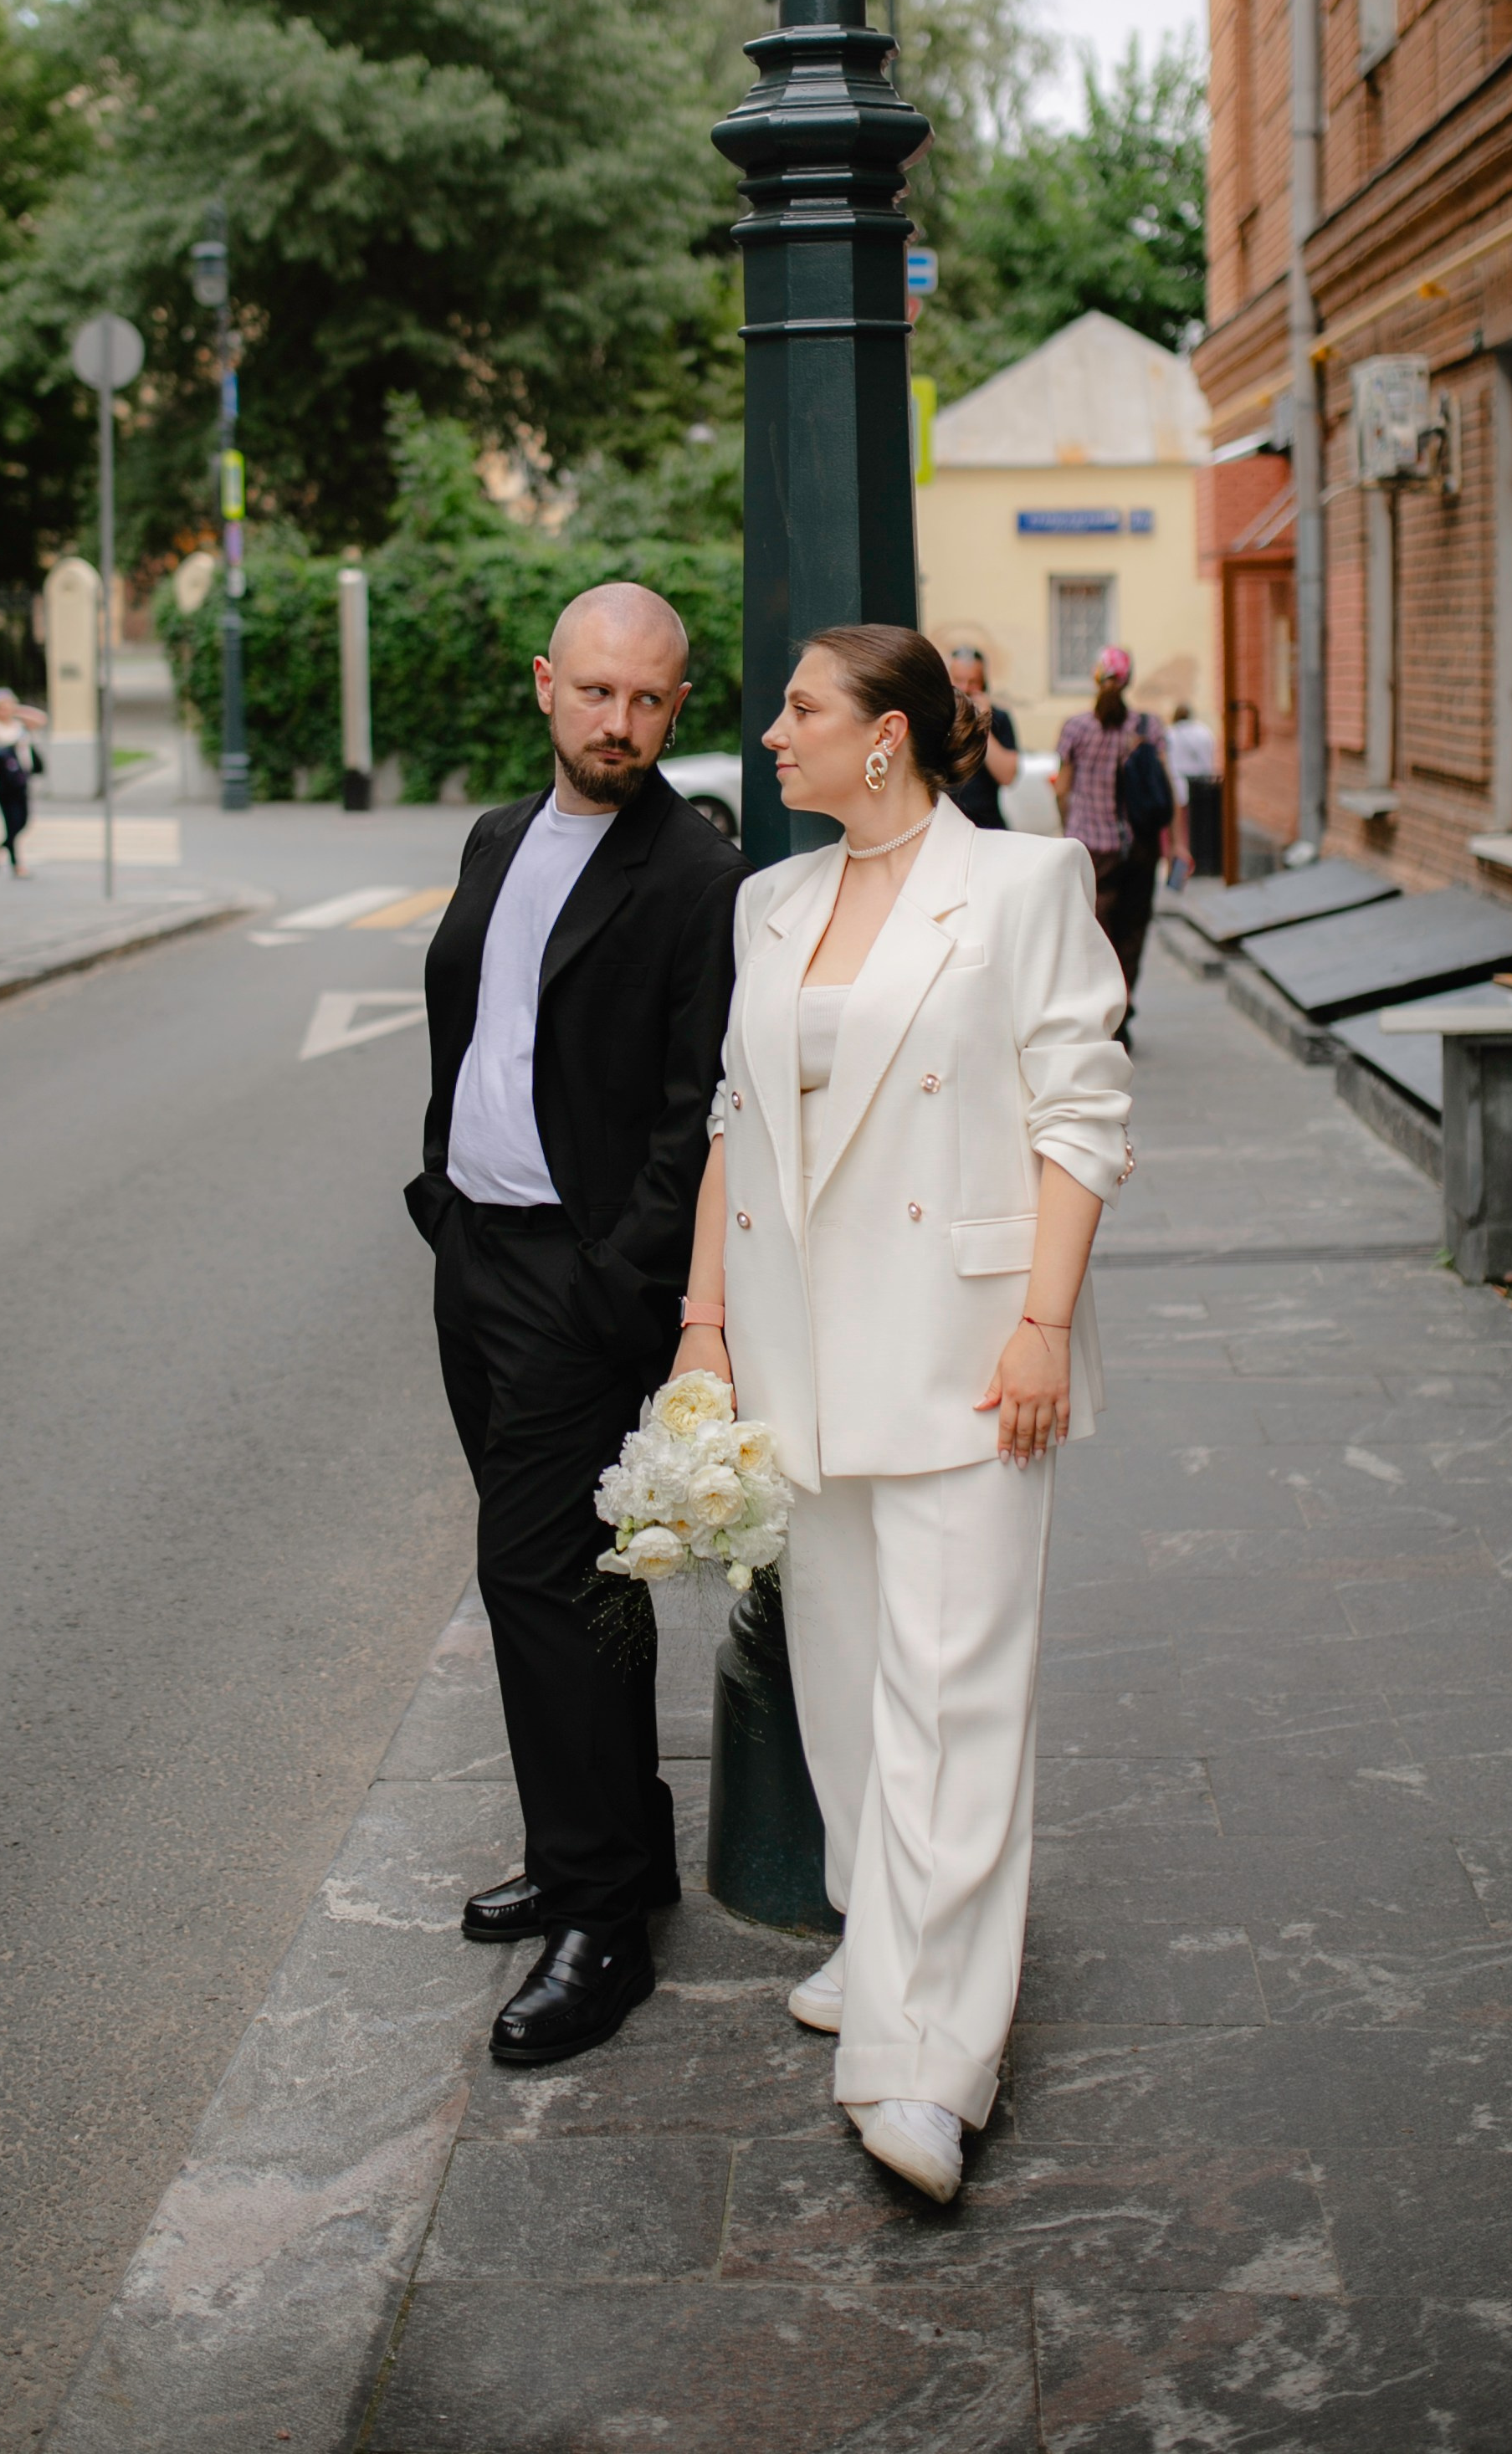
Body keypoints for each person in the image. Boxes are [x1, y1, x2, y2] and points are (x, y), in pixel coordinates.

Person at [674, 625, 1130, 2203]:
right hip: (803, 1361)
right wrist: (703, 1333)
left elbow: (1082, 1115)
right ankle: (887, 1943)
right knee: (848, 1694)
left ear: (886, 738)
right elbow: (738, 1118)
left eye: (798, 708)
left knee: (954, 1703)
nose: (771, 730)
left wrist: (1041, 1330)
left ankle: (930, 2065)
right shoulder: (769, 899)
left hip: (965, 1353)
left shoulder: (1015, 889)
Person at [407, 583, 748, 2068]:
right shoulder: (495, 838)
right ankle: (603, 1847)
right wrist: (441, 1196)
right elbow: (476, 1026)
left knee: (536, 1577)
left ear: (677, 710)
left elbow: (694, 1114)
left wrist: (615, 1285)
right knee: (576, 1585)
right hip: (472, 1255)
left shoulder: (691, 872)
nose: (619, 724)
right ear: (546, 686)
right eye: (596, 693)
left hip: (573, 1283)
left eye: (649, 702)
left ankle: (601, 1924)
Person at [1054, 648, 1170, 1034]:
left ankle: (1101, 1012)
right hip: (1138, 847)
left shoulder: (1076, 729)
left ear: (1095, 678)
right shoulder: (1147, 728)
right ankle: (1125, 1005)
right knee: (1132, 931)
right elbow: (1167, 787)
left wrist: (1067, 829)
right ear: (1129, 680)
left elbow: (1063, 789)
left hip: (1090, 848)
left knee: (1095, 933)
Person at [945, 645, 1020, 830]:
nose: (965, 688)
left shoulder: (999, 718)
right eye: (959, 680)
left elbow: (1007, 776)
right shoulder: (939, 717)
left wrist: (983, 724)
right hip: (947, 823)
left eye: (973, 682)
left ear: (984, 684)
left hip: (987, 824)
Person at [0, 686, 46, 875]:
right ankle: (17, 865)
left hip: (22, 780)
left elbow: (41, 719)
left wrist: (16, 710)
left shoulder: (19, 725)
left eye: (7, 707)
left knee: (24, 820)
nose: (4, 711)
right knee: (11, 822)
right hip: (4, 783)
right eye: (1, 707)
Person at [1164, 702, 1217, 888]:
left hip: (1176, 787)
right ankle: (1197, 869)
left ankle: (1176, 877)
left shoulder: (1170, 734)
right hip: (1201, 788)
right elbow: (1209, 759)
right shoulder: (1203, 732)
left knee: (1179, 837)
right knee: (1198, 832)